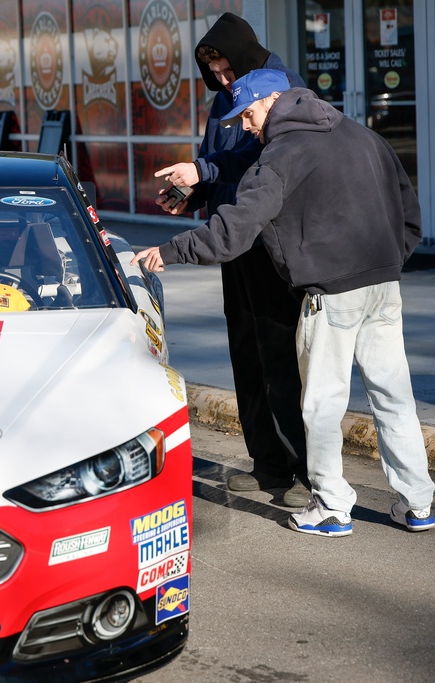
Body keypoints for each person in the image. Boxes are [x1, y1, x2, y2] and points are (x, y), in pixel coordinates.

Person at [131, 69, 435, 537]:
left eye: (249, 114)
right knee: (393, 396)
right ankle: (418, 503)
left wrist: (169, 251)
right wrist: (390, 261)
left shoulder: (281, 155)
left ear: (273, 100)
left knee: (321, 403)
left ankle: (332, 508)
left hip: (331, 294)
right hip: (383, 286)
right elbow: (408, 209)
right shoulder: (362, 135)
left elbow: (233, 231)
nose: (247, 126)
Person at [154, 13, 310, 508]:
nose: (223, 82)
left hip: (271, 244)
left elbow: (257, 160)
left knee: (282, 359)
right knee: (246, 355)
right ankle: (267, 463)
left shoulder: (282, 92)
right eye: (215, 74)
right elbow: (217, 167)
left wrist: (203, 169)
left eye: (227, 71)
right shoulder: (222, 102)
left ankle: (305, 470)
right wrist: (192, 193)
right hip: (232, 243)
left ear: (245, 57)